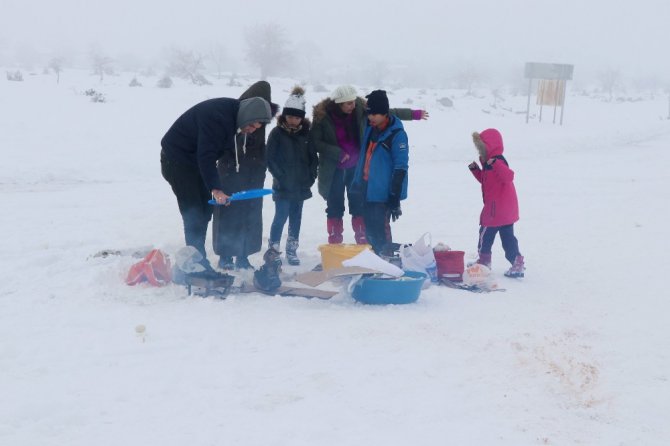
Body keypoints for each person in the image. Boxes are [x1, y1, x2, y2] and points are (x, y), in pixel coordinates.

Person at [160, 95, 272, 270]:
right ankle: (195, 263)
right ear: (247, 115)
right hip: (177, 160)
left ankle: (198, 257)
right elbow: (206, 155)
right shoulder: (217, 117)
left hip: (195, 161)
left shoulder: (235, 115)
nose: (251, 130)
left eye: (256, 128)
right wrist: (217, 189)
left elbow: (218, 149)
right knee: (194, 211)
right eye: (251, 125)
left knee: (205, 209)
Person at [310, 85, 427, 245]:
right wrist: (336, 153)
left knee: (359, 206)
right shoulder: (323, 118)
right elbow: (315, 142)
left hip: (356, 168)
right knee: (335, 206)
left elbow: (389, 113)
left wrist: (414, 114)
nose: (353, 105)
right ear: (339, 104)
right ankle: (335, 241)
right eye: (348, 103)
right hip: (334, 170)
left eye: (353, 101)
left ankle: (364, 239)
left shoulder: (362, 112)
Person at [211, 81, 279, 270]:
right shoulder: (234, 116)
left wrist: (261, 163)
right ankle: (225, 256)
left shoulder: (262, 120)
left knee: (250, 214)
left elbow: (259, 144)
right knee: (227, 212)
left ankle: (243, 255)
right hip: (229, 173)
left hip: (254, 173)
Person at [351, 90, 409, 255]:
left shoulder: (397, 135)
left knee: (381, 232)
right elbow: (364, 157)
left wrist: (394, 197)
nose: (371, 117)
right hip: (367, 188)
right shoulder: (371, 129)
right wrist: (357, 183)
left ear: (385, 113)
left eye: (375, 114)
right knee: (369, 231)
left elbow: (401, 167)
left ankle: (386, 260)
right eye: (369, 114)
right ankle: (374, 262)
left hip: (383, 193)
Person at [266, 86, 318, 266]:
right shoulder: (277, 133)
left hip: (301, 185)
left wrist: (311, 177)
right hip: (283, 186)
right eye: (290, 117)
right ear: (284, 117)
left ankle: (292, 249)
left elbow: (313, 159)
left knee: (296, 217)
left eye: (297, 117)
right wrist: (281, 177)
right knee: (280, 217)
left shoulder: (307, 135)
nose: (293, 121)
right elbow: (270, 159)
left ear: (302, 118)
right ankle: (273, 250)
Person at [468, 128, 526, 278]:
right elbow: (486, 181)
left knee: (485, 235)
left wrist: (495, 164)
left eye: (482, 147)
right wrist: (476, 170)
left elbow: (509, 176)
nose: (480, 151)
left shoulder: (498, 161)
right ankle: (517, 262)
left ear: (490, 146)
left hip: (495, 211)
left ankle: (484, 262)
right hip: (506, 210)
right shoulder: (488, 163)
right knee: (508, 239)